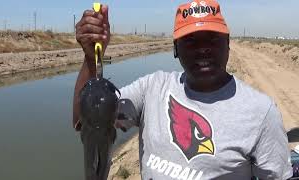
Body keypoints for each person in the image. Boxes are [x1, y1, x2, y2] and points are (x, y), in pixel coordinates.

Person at [73, 0, 293, 179]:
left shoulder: (261, 112)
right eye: (190, 41)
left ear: (228, 44)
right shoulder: (151, 88)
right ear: (176, 49)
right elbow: (84, 120)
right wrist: (92, 60)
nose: (203, 49)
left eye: (213, 39)